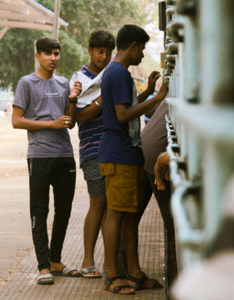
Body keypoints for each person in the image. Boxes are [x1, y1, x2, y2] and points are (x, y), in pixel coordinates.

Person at [98, 24, 169, 295]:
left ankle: (135, 271)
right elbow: (123, 115)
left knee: (129, 215)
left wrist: (149, 90)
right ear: (133, 46)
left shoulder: (119, 74)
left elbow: (125, 105)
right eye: (142, 49)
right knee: (115, 214)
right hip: (117, 153)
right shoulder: (118, 73)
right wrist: (159, 98)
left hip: (125, 153)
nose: (142, 55)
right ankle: (113, 274)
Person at [11, 37, 82, 285]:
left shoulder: (63, 84)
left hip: (64, 154)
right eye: (48, 54)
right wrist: (49, 124)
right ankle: (43, 266)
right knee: (39, 211)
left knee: (64, 211)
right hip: (39, 155)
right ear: (37, 56)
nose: (53, 58)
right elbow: (16, 120)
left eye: (56, 53)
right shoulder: (26, 83)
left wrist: (72, 98)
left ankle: (56, 260)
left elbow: (70, 122)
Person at [70, 29, 115, 279]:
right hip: (93, 148)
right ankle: (88, 260)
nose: (104, 56)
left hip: (113, 147)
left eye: (108, 52)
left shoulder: (113, 73)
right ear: (90, 50)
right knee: (97, 203)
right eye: (100, 51)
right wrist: (103, 98)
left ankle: (109, 262)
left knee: (111, 206)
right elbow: (80, 117)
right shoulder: (80, 79)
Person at [140, 100, 177, 299]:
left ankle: (125, 271)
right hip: (155, 159)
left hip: (148, 153)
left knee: (129, 215)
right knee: (175, 223)